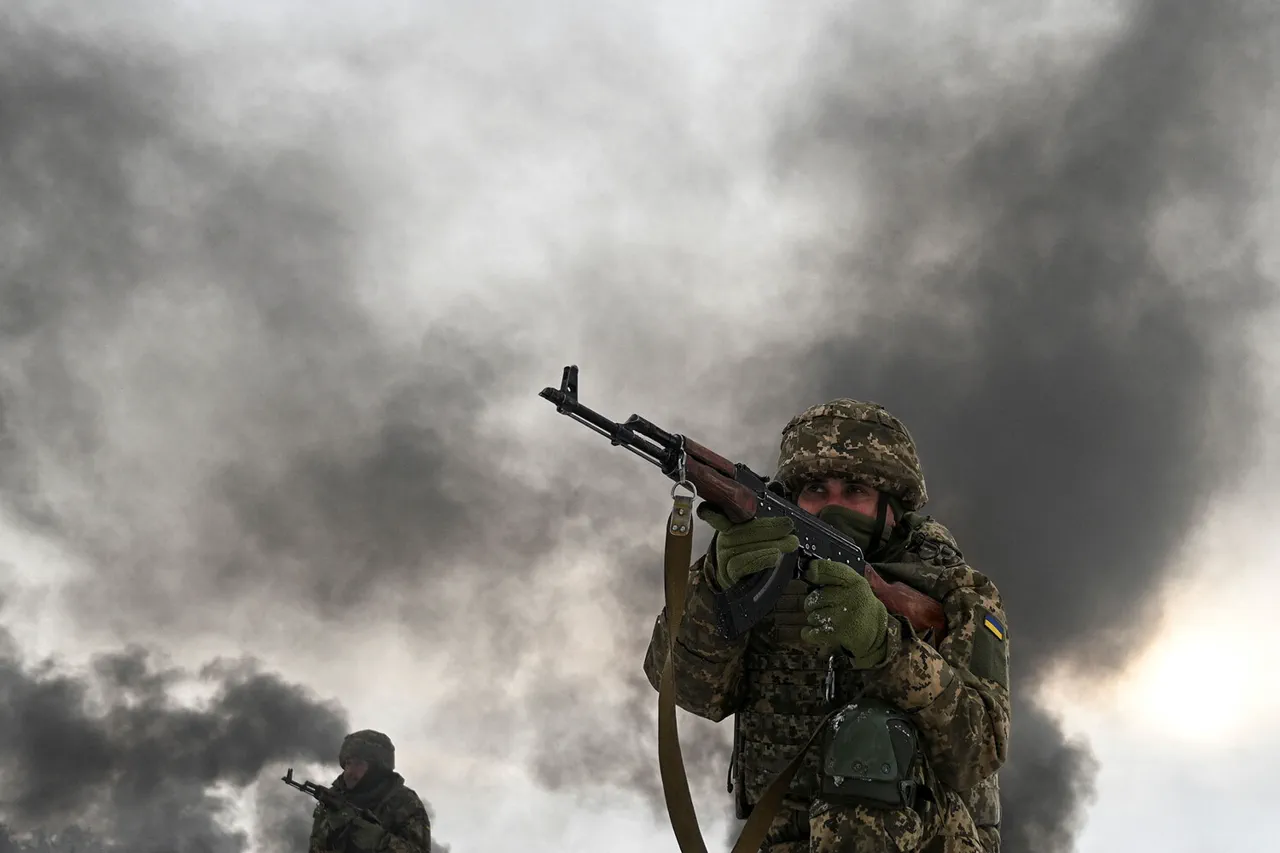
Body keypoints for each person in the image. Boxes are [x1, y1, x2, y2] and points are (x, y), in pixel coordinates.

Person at [643, 400, 1010, 852]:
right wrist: (716, 584)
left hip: (926, 842)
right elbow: (688, 691)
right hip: (778, 841)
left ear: (892, 505)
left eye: (855, 490)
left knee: (869, 735)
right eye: (816, 489)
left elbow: (979, 752)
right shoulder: (764, 569)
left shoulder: (957, 593)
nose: (833, 507)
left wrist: (885, 645)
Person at [308, 730, 432, 853]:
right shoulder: (333, 800)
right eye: (348, 763)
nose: (349, 772)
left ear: (377, 769)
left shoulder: (404, 803)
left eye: (358, 764)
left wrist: (376, 839)